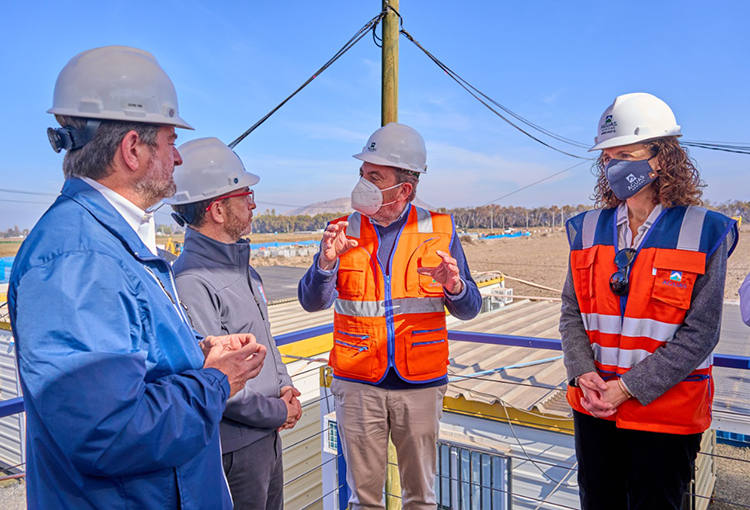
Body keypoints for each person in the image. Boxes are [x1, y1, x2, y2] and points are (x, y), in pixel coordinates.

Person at [8, 46, 267, 509]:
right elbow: (107, 431)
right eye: (169, 141)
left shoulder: (104, 240)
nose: (178, 158)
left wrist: (196, 353)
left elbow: (132, 360)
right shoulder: (76, 259)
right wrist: (215, 381)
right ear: (132, 149)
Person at [560, 92, 739, 509]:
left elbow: (701, 334)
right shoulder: (586, 229)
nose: (613, 164)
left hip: (666, 417)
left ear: (661, 157)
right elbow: (572, 312)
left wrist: (628, 388)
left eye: (626, 153)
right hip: (595, 408)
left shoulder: (706, 231)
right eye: (607, 156)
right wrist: (582, 372)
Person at [298, 122, 482, 510]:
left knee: (421, 499)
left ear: (404, 190)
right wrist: (326, 263)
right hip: (358, 384)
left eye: (374, 176)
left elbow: (470, 307)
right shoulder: (341, 231)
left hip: (420, 386)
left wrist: (455, 286)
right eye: (362, 174)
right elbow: (312, 301)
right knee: (363, 501)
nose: (362, 183)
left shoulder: (440, 229)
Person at [166, 137, 302, 510]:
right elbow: (217, 380)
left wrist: (286, 389)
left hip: (265, 436)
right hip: (236, 451)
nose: (254, 203)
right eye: (245, 195)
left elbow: (266, 342)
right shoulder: (192, 281)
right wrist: (279, 410)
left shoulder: (243, 269)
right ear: (218, 211)